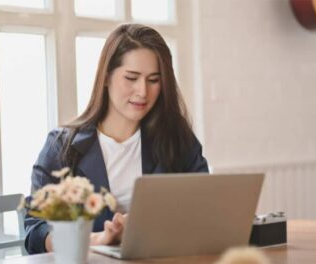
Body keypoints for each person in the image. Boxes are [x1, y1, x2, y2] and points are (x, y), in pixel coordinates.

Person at [24, 23, 209, 254]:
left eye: (153, 80)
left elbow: (203, 209)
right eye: (131, 78)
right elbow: (35, 233)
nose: (143, 91)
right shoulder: (62, 147)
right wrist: (97, 239)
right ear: (106, 77)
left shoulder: (177, 139)